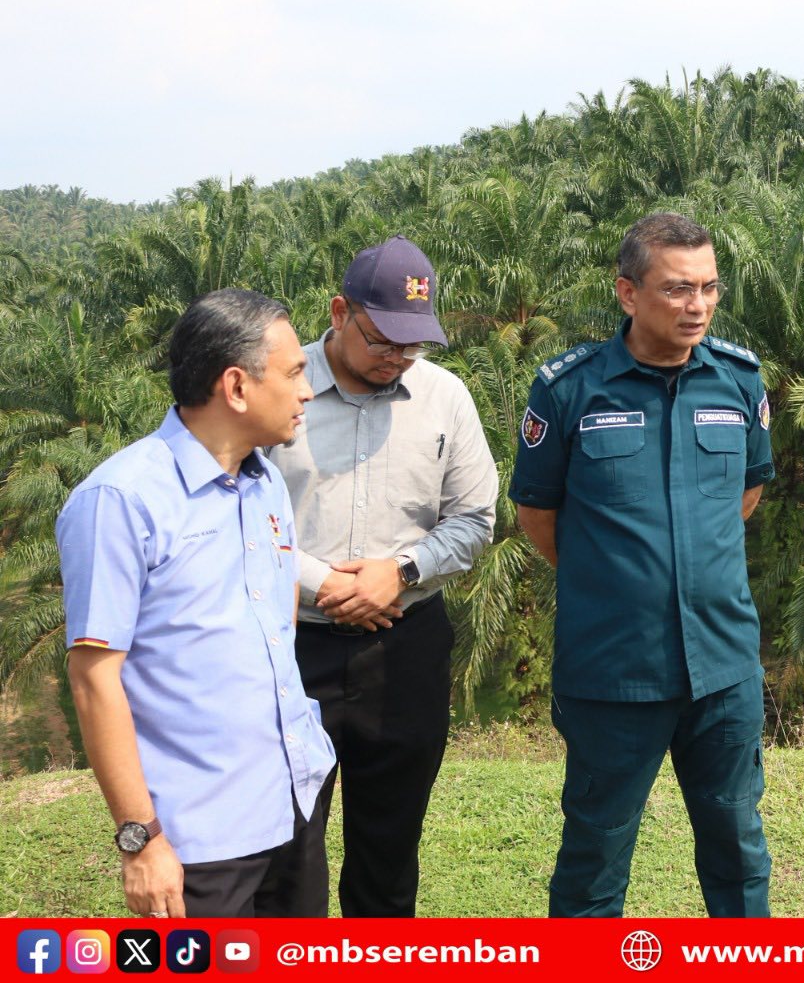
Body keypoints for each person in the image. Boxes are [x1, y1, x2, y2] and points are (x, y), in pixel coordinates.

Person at [511, 211, 775, 917]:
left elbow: (745, 494)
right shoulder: (570, 390)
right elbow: (538, 514)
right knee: (594, 858)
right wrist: (617, 580)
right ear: (628, 293)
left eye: (710, 288)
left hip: (722, 666)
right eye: (678, 289)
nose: (698, 306)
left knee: (739, 849)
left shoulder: (740, 382)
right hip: (613, 672)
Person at [60, 289, 336, 918]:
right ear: (236, 387)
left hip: (292, 807)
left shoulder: (265, 483)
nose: (306, 392)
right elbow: (94, 680)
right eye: (294, 373)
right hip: (198, 841)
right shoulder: (121, 501)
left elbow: (277, 623)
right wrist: (141, 841)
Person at [265, 235, 498, 917]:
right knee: (286, 848)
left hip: (406, 645)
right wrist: (323, 583)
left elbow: (474, 518)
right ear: (340, 312)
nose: (397, 357)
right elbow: (241, 515)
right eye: (381, 340)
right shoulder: (280, 387)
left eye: (412, 344)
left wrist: (399, 571)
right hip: (290, 646)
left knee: (389, 852)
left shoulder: (444, 398)